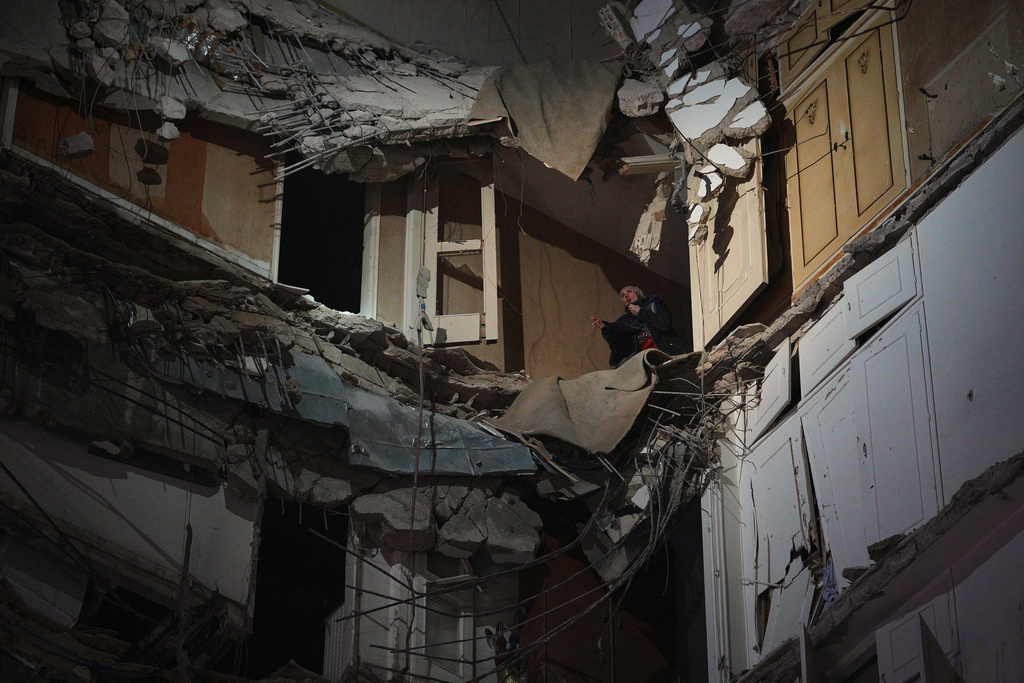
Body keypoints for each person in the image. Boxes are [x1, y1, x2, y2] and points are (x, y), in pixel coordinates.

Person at [590, 285, 691, 367]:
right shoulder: (625, 321)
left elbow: (665, 324)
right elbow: (617, 335)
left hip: (668, 355)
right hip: (644, 364)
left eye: (629, 291)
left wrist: (641, 313)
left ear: (639, 293)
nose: (625, 296)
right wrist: (606, 327)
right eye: (622, 296)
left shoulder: (655, 305)